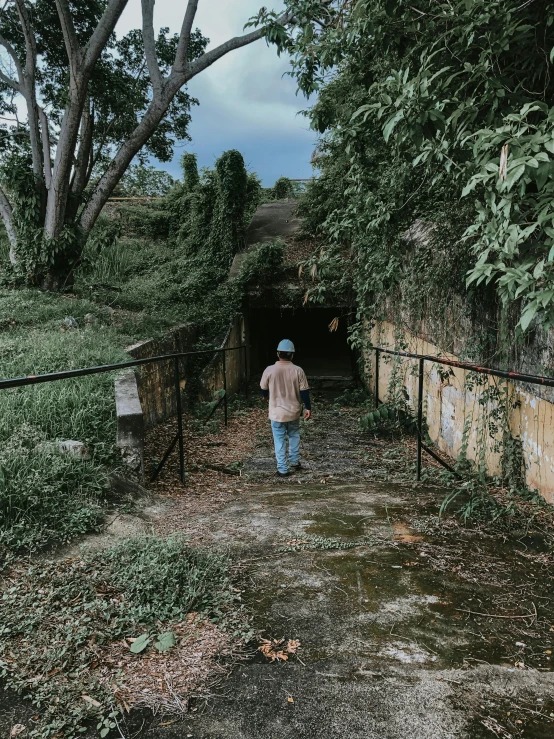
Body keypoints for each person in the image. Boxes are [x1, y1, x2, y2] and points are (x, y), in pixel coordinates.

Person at [260, 339, 312, 477]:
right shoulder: (298, 370)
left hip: (276, 412)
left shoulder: (269, 370)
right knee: (294, 435)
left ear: (278, 354)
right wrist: (308, 407)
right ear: (292, 355)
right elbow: (304, 392)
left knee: (279, 439)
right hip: (294, 411)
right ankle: (295, 462)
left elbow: (263, 388)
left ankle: (282, 469)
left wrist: (265, 397)